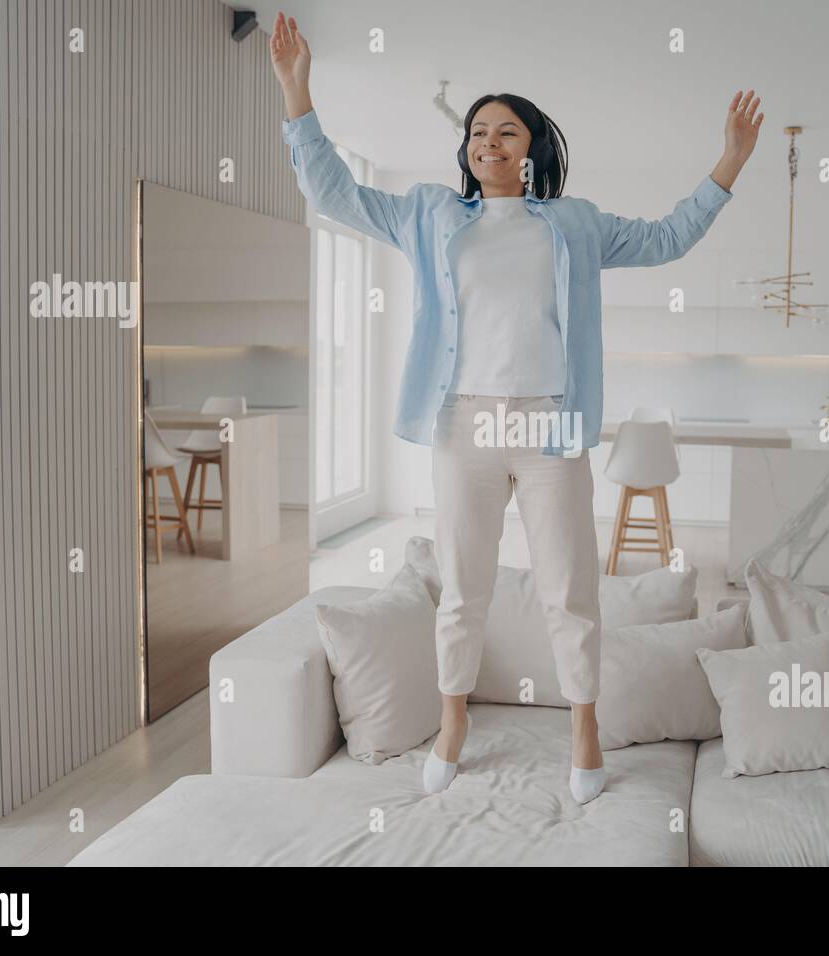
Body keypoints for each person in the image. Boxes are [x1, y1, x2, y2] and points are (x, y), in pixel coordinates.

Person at [268, 11, 762, 804]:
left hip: (549, 424)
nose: (487, 144)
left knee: (569, 588)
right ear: (465, 151)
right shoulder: (429, 214)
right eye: (476, 134)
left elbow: (669, 237)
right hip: (462, 423)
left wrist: (727, 166)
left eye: (505, 132)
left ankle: (583, 727)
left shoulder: (574, 224)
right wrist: (298, 92)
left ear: (533, 147)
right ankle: (454, 721)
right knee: (464, 588)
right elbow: (333, 192)